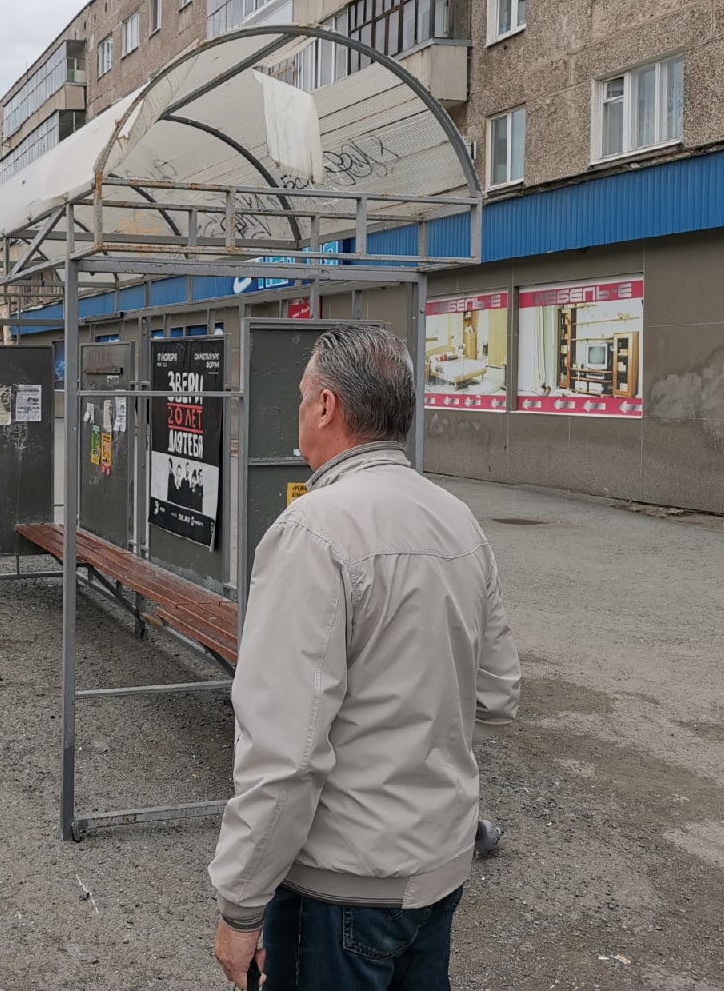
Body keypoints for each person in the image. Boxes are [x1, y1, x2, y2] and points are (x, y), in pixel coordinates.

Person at [210, 324, 522, 991]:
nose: (300, 411)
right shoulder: (458, 520)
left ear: (327, 407)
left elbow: (286, 752)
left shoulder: (311, 532)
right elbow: (499, 694)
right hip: (438, 870)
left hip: (340, 888)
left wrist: (241, 905)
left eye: (302, 397)